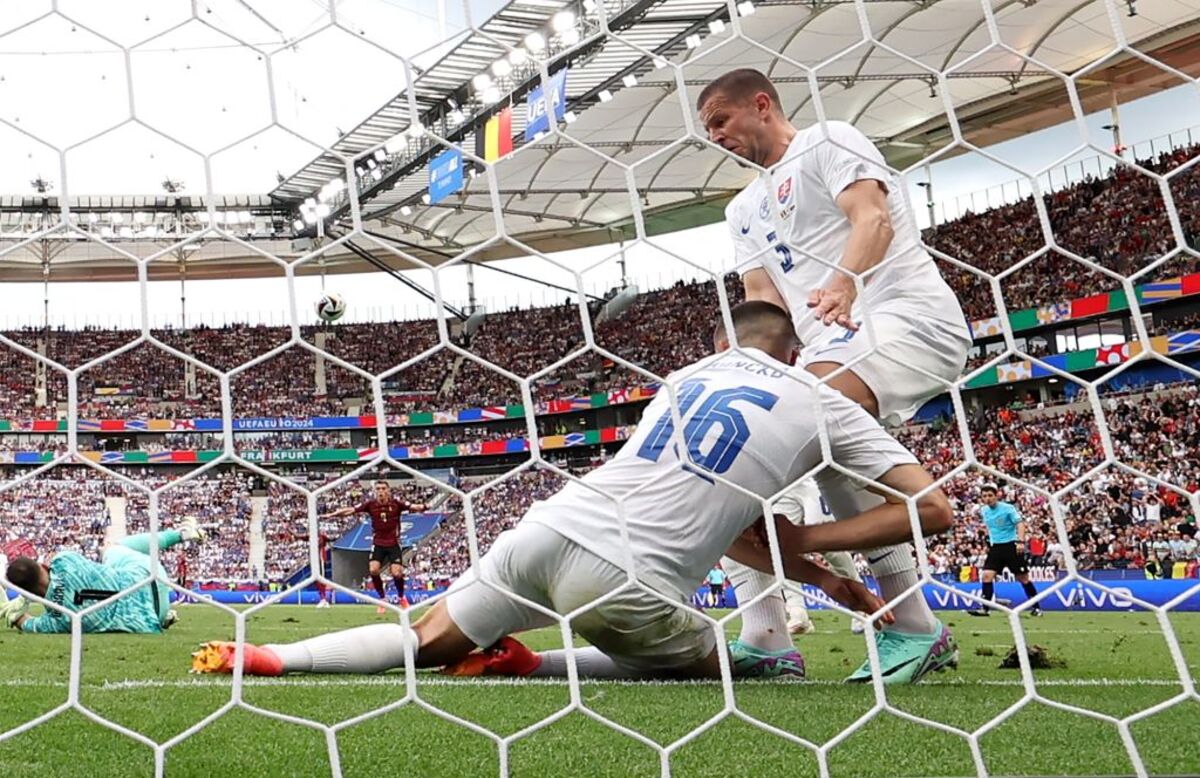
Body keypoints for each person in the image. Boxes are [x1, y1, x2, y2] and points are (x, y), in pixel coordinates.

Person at [190, 302, 953, 681]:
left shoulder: (684, 379)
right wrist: (812, 547)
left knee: (422, 642)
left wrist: (810, 573)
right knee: (751, 660)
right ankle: (537, 665)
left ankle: (274, 657)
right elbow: (932, 509)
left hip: (548, 530)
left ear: (723, 345)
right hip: (631, 582)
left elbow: (706, 508)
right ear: (798, 352)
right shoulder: (820, 401)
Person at [697, 67, 972, 683]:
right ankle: (766, 635)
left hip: (904, 318)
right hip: (829, 347)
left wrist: (844, 281)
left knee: (814, 414)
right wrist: (740, 367)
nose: (715, 136)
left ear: (761, 105)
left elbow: (872, 218)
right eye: (707, 128)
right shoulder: (743, 209)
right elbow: (763, 299)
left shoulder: (829, 141)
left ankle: (911, 624)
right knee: (733, 446)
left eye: (721, 120)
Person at [1, 519, 205, 634]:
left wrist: (12, 610)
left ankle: (164, 616)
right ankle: (181, 534)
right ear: (42, 565)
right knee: (112, 551)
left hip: (151, 618)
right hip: (151, 578)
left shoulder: (57, 621)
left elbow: (25, 622)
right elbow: (52, 565)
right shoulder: (64, 561)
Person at [321, 480, 425, 613]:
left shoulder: (397, 504)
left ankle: (401, 597)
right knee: (374, 570)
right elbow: (351, 510)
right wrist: (332, 514)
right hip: (378, 543)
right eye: (378, 489)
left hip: (393, 543)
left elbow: (414, 507)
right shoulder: (370, 505)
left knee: (397, 573)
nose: (381, 491)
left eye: (383, 489)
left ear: (388, 491)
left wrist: (424, 506)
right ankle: (382, 599)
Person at [967, 484, 1040, 616]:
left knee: (1023, 578)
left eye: (990, 495)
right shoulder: (984, 510)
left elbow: (1020, 524)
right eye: (984, 496)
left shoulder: (1008, 508)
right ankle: (985, 608)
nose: (987, 498)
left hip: (1011, 546)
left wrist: (1020, 541)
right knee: (986, 576)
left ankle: (1037, 607)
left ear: (996, 496)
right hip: (996, 548)